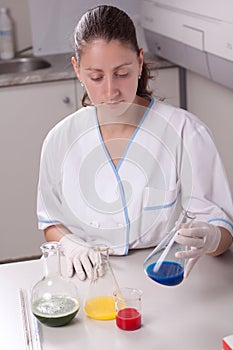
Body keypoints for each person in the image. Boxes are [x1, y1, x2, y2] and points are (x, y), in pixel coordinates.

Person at [37, 5, 233, 281]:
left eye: (122, 73)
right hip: (91, 280)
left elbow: (221, 229)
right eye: (96, 77)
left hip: (165, 277)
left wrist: (211, 238)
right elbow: (50, 221)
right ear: (77, 70)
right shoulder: (61, 139)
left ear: (140, 63)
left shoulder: (185, 131)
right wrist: (70, 244)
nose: (110, 91)